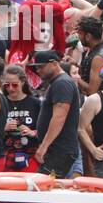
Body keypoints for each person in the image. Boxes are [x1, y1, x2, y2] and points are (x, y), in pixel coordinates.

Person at [31, 50, 83, 178]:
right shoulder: (59, 82)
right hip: (57, 149)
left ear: (54, 64)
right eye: (36, 67)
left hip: (60, 150)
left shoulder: (62, 83)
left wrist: (44, 146)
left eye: (41, 66)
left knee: (42, 186)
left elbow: (59, 117)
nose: (38, 70)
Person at [2, 63, 42, 172]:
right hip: (5, 155)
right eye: (7, 85)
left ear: (23, 82)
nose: (10, 88)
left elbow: (47, 130)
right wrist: (4, 128)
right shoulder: (0, 102)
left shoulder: (35, 103)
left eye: (15, 85)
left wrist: (32, 132)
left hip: (30, 155)